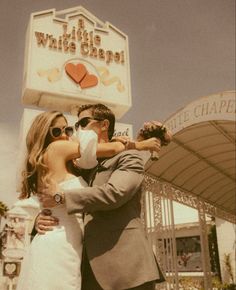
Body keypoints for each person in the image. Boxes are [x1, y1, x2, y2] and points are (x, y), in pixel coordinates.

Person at [16, 109, 161, 290]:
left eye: (71, 129)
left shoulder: (121, 158)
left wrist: (61, 198)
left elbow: (114, 193)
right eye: (56, 131)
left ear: (104, 125)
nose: (67, 135)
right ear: (44, 135)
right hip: (69, 253)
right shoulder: (62, 152)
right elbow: (48, 198)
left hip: (125, 267)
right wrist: (140, 143)